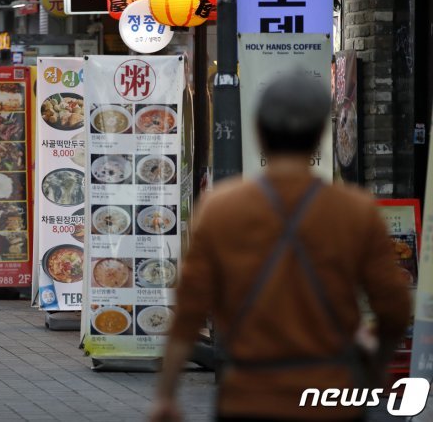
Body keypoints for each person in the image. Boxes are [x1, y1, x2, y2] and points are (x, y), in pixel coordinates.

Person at [150, 71, 411, 422]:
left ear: (258, 131)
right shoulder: (355, 211)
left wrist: (166, 396)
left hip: (247, 397)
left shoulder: (221, 209)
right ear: (321, 133)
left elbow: (188, 313)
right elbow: (394, 308)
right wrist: (375, 367)